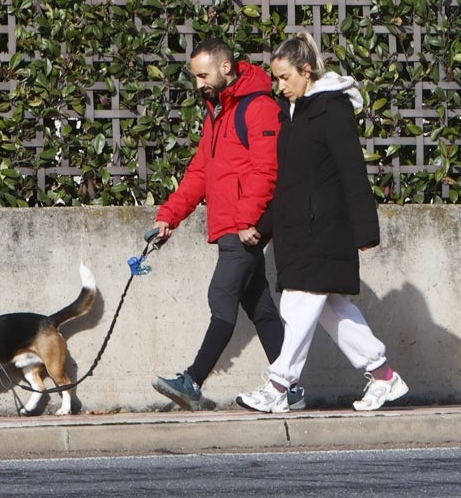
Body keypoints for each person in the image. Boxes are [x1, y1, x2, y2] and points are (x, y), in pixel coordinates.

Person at [236, 32, 408, 413]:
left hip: (325, 231)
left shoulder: (332, 110)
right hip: (298, 232)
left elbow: (351, 171)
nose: (280, 87)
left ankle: (279, 385)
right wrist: (263, 227)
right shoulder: (292, 114)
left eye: (285, 78)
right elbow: (289, 183)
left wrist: (365, 230)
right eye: (277, 79)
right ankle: (383, 376)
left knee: (297, 306)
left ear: (307, 70)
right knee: (333, 310)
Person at [150, 38, 303, 411]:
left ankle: (192, 381)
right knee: (260, 306)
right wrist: (169, 217)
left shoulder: (259, 107)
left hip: (243, 226)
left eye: (203, 74)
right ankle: (292, 388)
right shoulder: (217, 112)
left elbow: (267, 169)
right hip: (231, 223)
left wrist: (247, 219)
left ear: (225, 67)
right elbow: (200, 172)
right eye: (195, 76)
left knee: (222, 296)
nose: (198, 83)